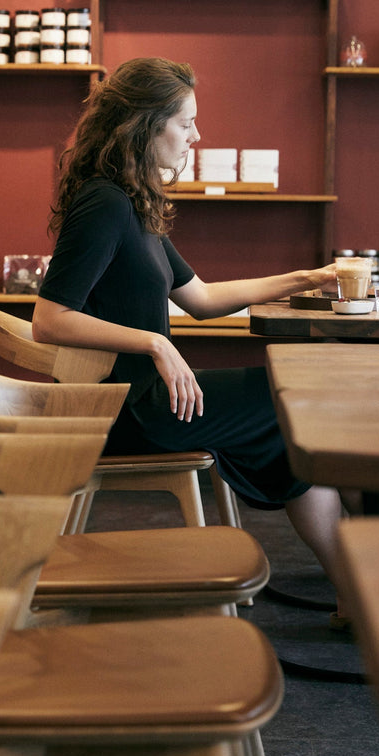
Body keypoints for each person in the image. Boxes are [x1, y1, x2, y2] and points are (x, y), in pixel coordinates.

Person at [33, 57, 347, 619]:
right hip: (124, 412)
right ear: (146, 124)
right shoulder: (104, 203)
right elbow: (50, 318)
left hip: (148, 403)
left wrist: (307, 277)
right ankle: (362, 591)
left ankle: (355, 592)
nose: (196, 137)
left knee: (293, 425)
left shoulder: (133, 203)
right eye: (187, 123)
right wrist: (154, 343)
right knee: (293, 404)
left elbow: (200, 300)